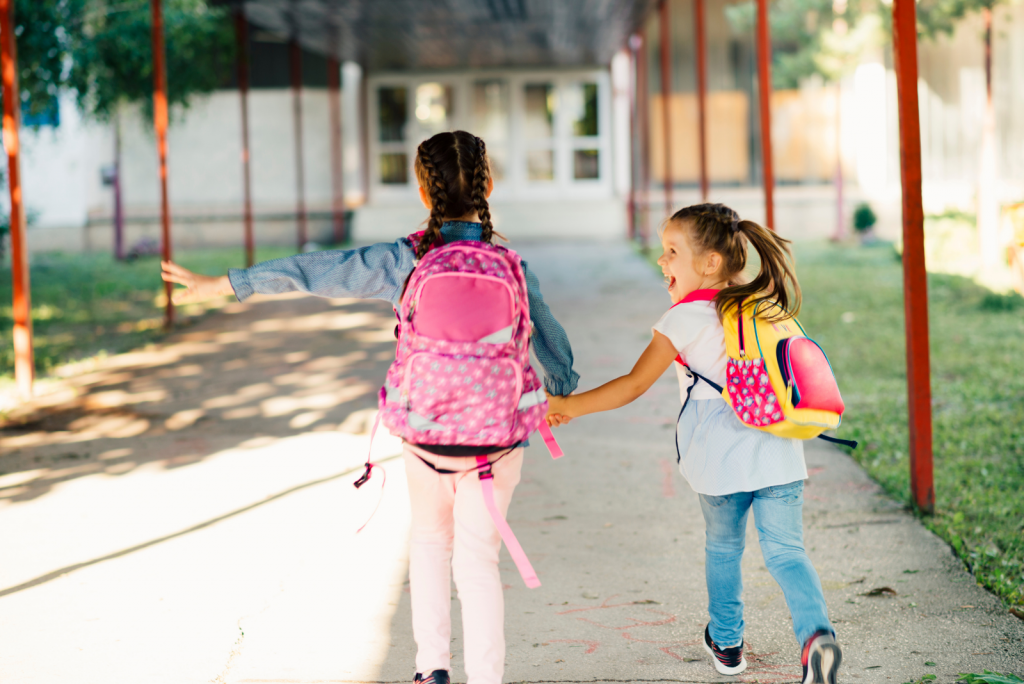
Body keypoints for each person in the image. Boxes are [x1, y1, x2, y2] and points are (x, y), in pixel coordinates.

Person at [162, 131, 580, 684]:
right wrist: (560, 393)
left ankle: (432, 670)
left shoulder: (403, 259)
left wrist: (232, 283)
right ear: (489, 184)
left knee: (430, 543)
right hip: (498, 439)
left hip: (427, 436)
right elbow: (556, 351)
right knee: (478, 562)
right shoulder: (512, 266)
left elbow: (320, 269)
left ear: (423, 190)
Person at [545, 203, 842, 684]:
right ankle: (816, 638)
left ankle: (726, 643)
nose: (662, 262)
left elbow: (635, 383)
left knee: (724, 547)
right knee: (787, 552)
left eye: (671, 252)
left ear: (709, 263)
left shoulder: (684, 318)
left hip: (720, 459)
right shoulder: (763, 306)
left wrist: (569, 406)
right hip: (781, 451)